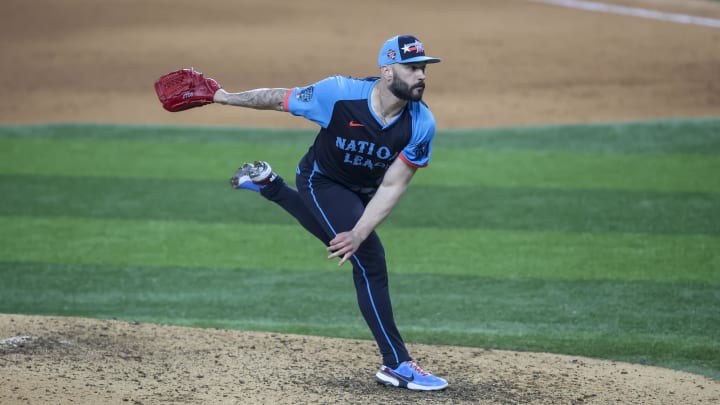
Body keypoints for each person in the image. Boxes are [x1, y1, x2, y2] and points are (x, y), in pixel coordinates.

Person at [214, 34, 447, 391]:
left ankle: (268, 185)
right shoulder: (339, 94)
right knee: (369, 260)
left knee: (352, 242)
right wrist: (224, 97)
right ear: (387, 71)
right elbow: (279, 98)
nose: (421, 76)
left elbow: (392, 186)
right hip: (321, 180)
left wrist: (358, 231)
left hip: (365, 190)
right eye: (412, 67)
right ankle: (396, 364)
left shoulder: (421, 123)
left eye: (424, 68)